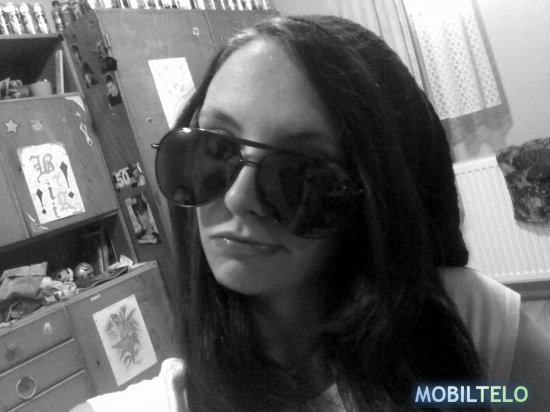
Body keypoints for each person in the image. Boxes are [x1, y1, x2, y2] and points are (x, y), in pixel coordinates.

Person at [70, 15, 550, 412]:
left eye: (299, 174)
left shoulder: (463, 325)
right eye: (214, 149)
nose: (238, 199)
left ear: (367, 198)